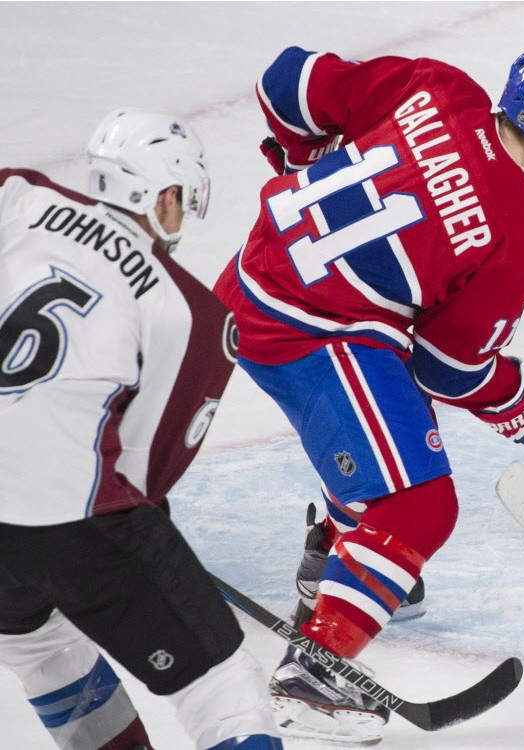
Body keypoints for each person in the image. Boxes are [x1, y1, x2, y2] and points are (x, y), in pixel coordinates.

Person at [213, 43, 524, 744]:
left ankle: (331, 570)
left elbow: (287, 81)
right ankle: (316, 673)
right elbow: (447, 367)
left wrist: (300, 165)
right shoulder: (522, 232)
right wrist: (518, 396)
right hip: (310, 330)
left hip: (251, 279)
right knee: (423, 504)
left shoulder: (437, 86)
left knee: (393, 425)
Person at [0, 109, 283, 750]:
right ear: (165, 196)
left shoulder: (20, 195)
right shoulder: (192, 314)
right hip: (69, 512)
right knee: (222, 687)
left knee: (42, 646)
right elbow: (143, 476)